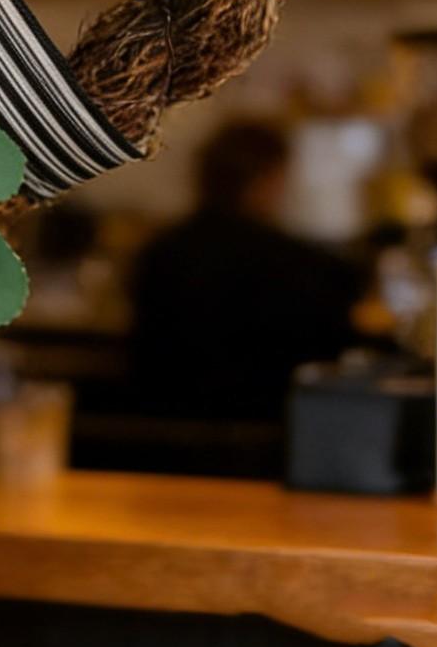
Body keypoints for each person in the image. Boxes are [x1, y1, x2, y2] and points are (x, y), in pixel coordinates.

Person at [129, 117, 370, 434]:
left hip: (157, 439)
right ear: (269, 179)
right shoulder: (304, 266)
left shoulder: (158, 254)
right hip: (272, 442)